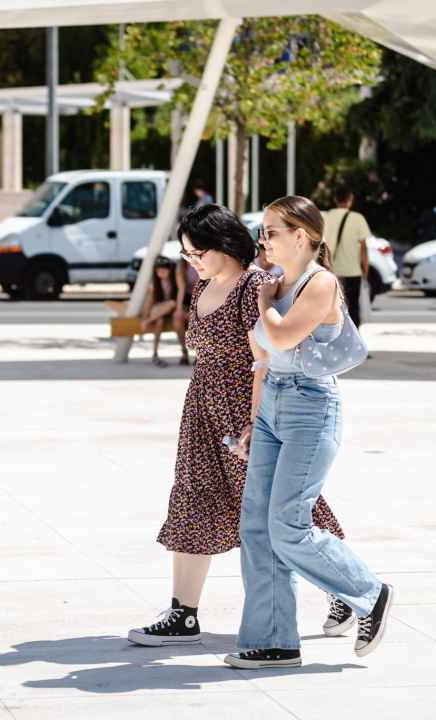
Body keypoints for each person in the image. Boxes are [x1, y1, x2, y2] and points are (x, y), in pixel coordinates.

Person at [128, 204, 345, 647]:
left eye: (197, 252)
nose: (193, 263)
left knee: (287, 508)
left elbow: (266, 361)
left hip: (244, 409)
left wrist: (254, 422)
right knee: (193, 498)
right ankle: (182, 613)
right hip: (202, 409)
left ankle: (341, 590)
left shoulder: (254, 286)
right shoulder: (204, 287)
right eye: (186, 256)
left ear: (224, 244)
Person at [224, 196, 393, 670]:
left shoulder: (321, 283)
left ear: (302, 235)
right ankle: (274, 641)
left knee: (288, 526)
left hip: (311, 409)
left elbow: (278, 337)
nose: (263, 240)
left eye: (272, 231)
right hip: (274, 405)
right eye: (262, 231)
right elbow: (263, 361)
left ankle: (369, 593)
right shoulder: (280, 283)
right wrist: (253, 424)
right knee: (256, 527)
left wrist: (261, 301)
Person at [324, 186, 370, 327]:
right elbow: (363, 247)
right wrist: (365, 269)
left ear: (335, 199)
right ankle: (353, 344)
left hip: (331, 272)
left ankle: (334, 344)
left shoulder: (326, 218)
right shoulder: (358, 218)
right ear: (350, 199)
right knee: (353, 310)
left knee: (332, 310)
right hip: (352, 271)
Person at [141, 256, 178, 368]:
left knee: (172, 303)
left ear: (169, 271)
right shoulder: (155, 283)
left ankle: (147, 321)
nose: (160, 274)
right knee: (160, 321)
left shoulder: (175, 281)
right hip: (158, 309)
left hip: (170, 308)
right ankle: (155, 352)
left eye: (163, 271)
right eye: (158, 272)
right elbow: (150, 299)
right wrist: (146, 313)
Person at [173, 256, 200, 365]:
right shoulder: (180, 264)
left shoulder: (201, 263)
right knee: (177, 318)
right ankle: (184, 350)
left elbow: (197, 288)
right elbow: (181, 288)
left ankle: (197, 352)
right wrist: (178, 309)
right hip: (184, 296)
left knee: (192, 319)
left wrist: (192, 310)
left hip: (199, 296)